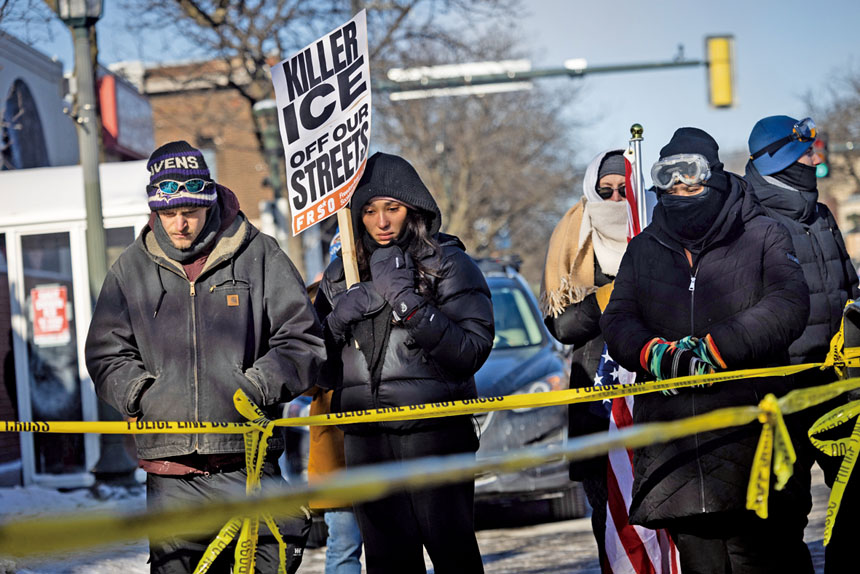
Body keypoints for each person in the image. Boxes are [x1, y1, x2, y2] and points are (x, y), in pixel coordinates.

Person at [85, 140, 326, 574]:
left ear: (209, 199)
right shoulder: (130, 269)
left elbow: (302, 339)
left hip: (247, 461)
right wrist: (142, 394)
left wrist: (254, 387)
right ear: (154, 209)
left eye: (190, 212)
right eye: (168, 213)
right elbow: (105, 353)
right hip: (169, 467)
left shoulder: (260, 254)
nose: (180, 224)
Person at [600, 128, 811, 573]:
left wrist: (716, 347)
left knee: (768, 560)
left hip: (750, 438)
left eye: (690, 178)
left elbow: (788, 304)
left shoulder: (762, 234)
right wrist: (653, 353)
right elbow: (617, 320)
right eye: (669, 180)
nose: (679, 189)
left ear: (713, 177)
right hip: (675, 449)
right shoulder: (643, 249)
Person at [314, 152, 494, 574]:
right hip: (365, 437)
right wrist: (337, 320)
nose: (381, 222)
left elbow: (471, 351)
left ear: (413, 210)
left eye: (392, 209)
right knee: (387, 561)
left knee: (452, 553)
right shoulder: (340, 274)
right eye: (370, 210)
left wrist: (409, 304)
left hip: (434, 431)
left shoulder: (449, 262)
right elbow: (316, 371)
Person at [745, 115, 860, 574]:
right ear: (779, 159)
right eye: (805, 154)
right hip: (780, 390)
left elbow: (848, 286)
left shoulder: (822, 213)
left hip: (838, 386)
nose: (816, 160)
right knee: (782, 515)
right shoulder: (748, 220)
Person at [540, 149, 629, 570]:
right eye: (605, 190)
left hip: (651, 395)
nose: (614, 199)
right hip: (597, 396)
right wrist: (609, 299)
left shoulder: (656, 229)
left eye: (623, 190)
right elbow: (561, 325)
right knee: (607, 516)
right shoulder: (574, 237)